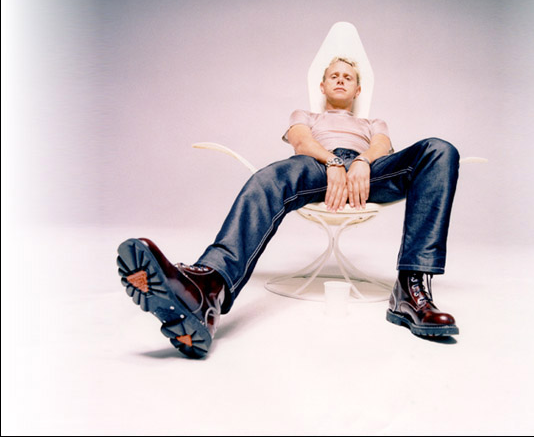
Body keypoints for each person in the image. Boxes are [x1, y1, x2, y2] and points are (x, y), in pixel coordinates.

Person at [117, 56, 460, 358]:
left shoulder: (372, 124)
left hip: (367, 173)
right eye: (334, 76)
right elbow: (302, 142)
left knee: (439, 150)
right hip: (316, 166)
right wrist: (332, 162)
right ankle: (209, 289)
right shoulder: (305, 115)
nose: (341, 80)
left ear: (358, 90)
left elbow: (382, 146)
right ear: (323, 86)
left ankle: (411, 289)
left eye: (348, 77)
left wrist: (361, 162)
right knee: (270, 177)